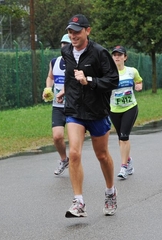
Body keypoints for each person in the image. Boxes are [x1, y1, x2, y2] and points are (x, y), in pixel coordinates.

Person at [60, 14, 119, 218]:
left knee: (102, 155)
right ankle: (79, 202)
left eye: (77, 31)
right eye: (70, 31)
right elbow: (70, 78)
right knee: (74, 154)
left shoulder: (100, 53)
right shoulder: (66, 51)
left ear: (88, 31)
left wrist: (90, 81)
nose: (73, 35)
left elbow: (113, 81)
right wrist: (64, 91)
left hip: (97, 111)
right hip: (75, 110)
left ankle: (110, 192)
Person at [110, 45, 143, 179]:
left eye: (120, 54)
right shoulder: (109, 73)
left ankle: (123, 167)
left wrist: (139, 85)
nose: (117, 57)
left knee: (124, 137)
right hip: (114, 110)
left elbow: (139, 80)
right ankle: (128, 160)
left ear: (125, 57)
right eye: (115, 55)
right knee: (120, 138)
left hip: (130, 107)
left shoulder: (132, 71)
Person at [43, 34, 71, 175]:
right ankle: (64, 159)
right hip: (58, 106)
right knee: (57, 136)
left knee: (75, 139)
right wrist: (48, 88)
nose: (65, 47)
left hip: (74, 107)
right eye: (63, 44)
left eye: (68, 44)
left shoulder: (78, 63)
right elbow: (50, 77)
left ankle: (76, 164)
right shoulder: (54, 62)